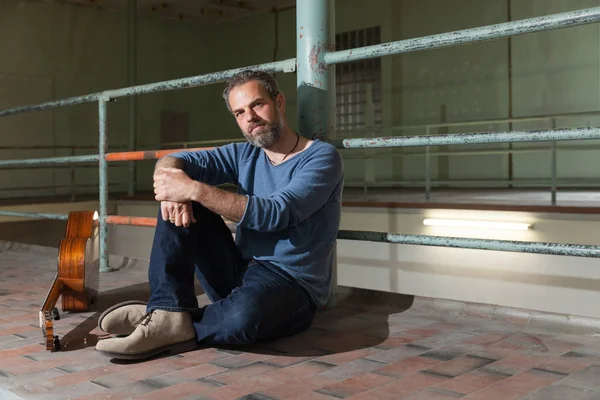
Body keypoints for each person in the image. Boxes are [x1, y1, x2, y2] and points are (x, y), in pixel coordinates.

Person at [95, 70, 344, 360]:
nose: (250, 117)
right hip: (239, 271)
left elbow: (277, 213)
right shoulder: (244, 154)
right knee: (178, 191)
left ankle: (167, 320)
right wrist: (171, 179)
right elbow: (176, 160)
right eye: (240, 112)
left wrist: (193, 190)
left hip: (292, 286)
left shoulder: (321, 157)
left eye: (257, 105)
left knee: (242, 318)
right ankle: (165, 309)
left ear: (279, 102)